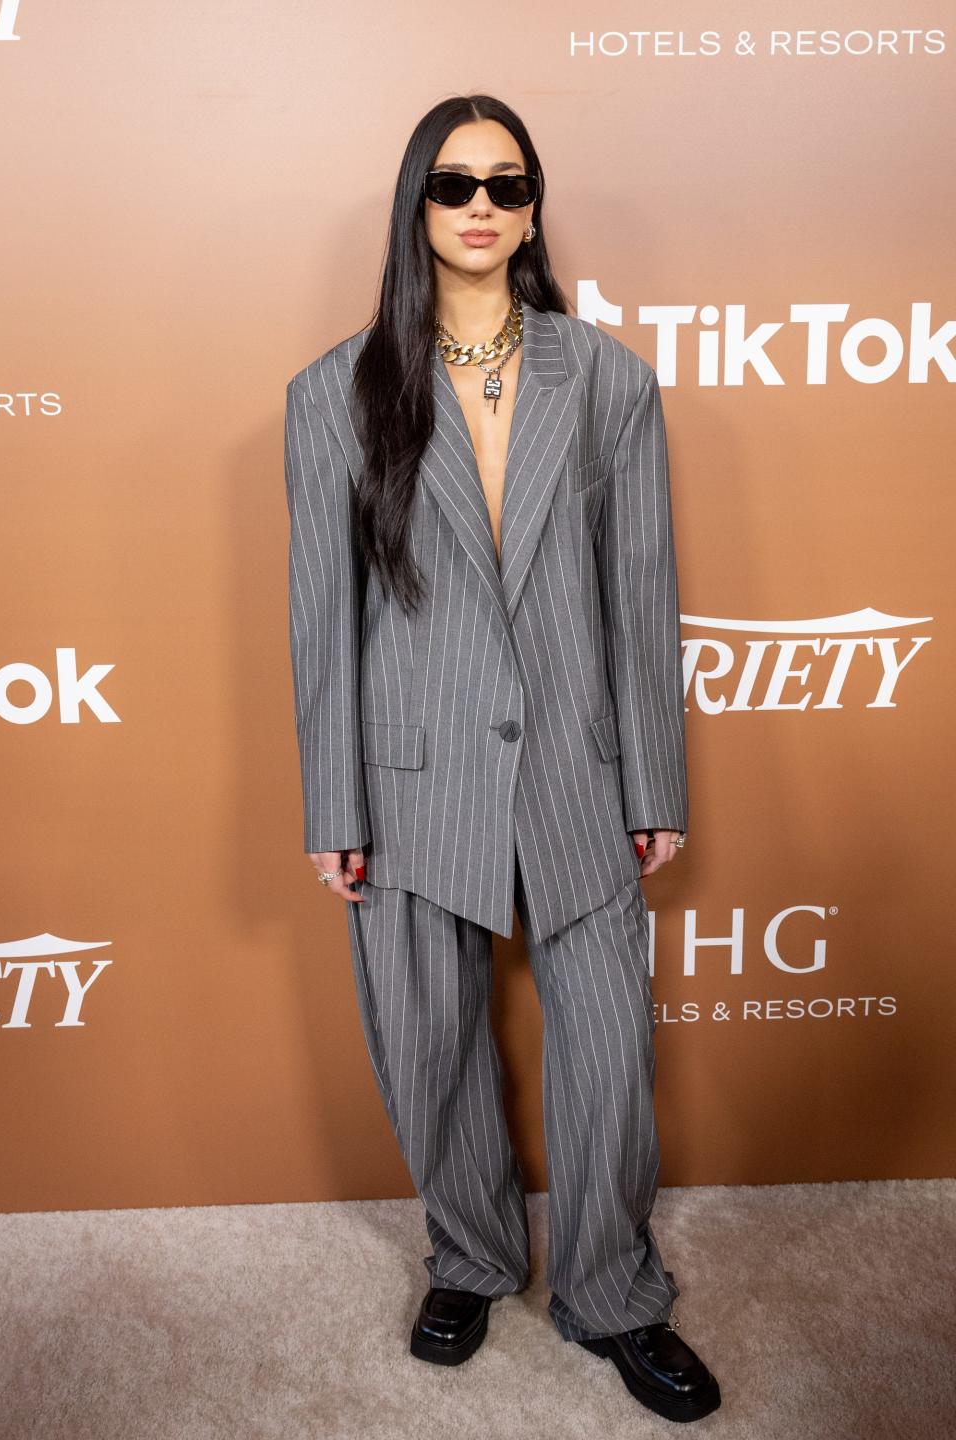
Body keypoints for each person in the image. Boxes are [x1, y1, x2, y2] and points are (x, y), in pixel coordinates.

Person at [284, 93, 720, 1423]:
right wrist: (336, 802)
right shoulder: (331, 393)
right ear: (419, 201)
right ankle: (469, 1257)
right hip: (412, 771)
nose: (482, 206)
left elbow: (640, 595)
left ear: (533, 209)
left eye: (508, 185)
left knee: (606, 1054)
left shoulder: (609, 380)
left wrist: (651, 780)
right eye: (456, 183)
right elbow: (323, 619)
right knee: (431, 1042)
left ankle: (612, 1292)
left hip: (580, 765)